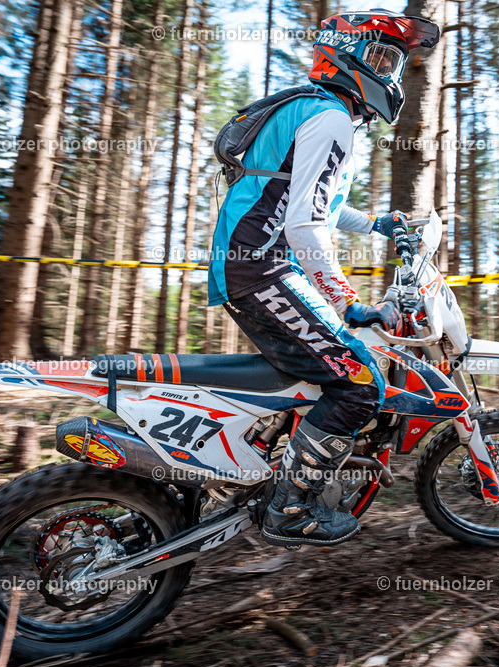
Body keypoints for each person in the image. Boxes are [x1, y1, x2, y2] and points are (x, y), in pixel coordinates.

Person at [207, 10, 441, 547]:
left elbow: (318, 204)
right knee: (360, 385)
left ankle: (269, 468)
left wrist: (376, 223)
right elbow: (304, 225)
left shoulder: (314, 109)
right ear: (343, 53)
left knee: (327, 371)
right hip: (261, 268)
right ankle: (290, 509)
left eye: (395, 62)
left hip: (257, 265)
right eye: (381, 57)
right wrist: (348, 301)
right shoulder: (330, 117)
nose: (390, 72)